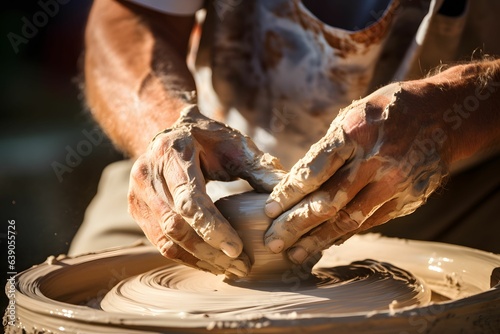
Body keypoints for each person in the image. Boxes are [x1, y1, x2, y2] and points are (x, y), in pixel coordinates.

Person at [69, 0, 500, 279]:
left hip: (453, 170)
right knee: (89, 294)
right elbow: (130, 16)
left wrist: (459, 106)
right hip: (211, 162)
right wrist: (163, 124)